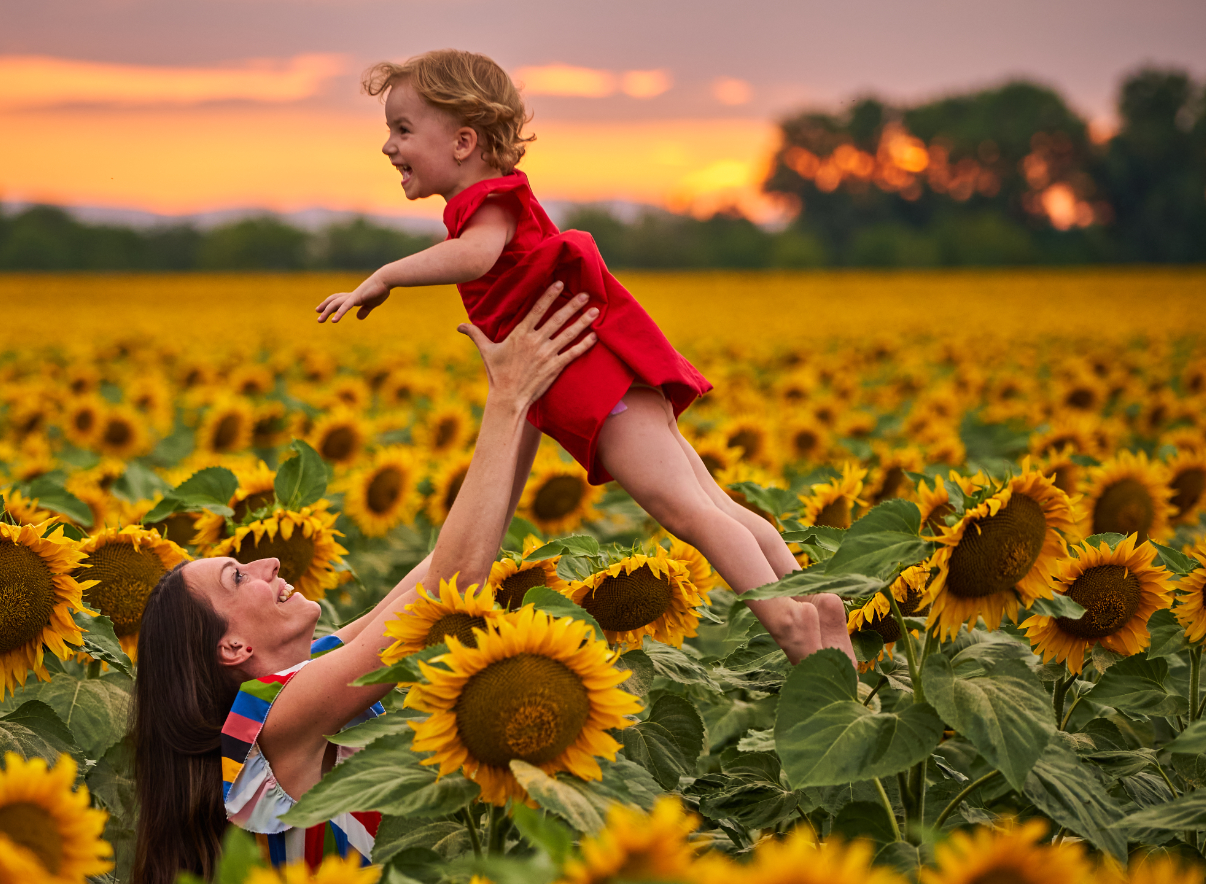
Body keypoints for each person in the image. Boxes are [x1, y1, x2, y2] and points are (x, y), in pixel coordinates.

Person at [91, 283, 601, 884]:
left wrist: (528, 402)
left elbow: (440, 571)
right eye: (239, 575)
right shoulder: (267, 720)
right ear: (232, 647)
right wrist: (508, 403)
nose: (268, 563)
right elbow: (446, 591)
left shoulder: (315, 672)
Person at [316, 48, 848, 661]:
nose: (388, 146)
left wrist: (386, 276)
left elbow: (476, 257)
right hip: (603, 378)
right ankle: (813, 600)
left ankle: (787, 622)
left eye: (402, 130)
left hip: (596, 388)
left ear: (463, 141)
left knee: (686, 510)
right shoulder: (490, 198)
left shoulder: (483, 206)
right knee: (710, 502)